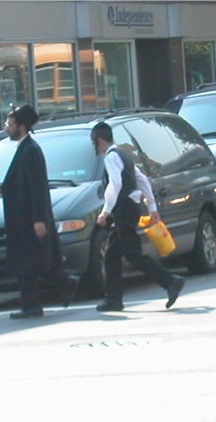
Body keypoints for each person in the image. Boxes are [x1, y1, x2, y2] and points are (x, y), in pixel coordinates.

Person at [91, 121, 185, 312]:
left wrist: (105, 211)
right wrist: (151, 206)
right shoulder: (124, 155)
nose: (94, 146)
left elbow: (115, 184)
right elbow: (141, 179)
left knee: (132, 254)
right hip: (131, 207)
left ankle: (170, 281)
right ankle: (114, 299)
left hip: (123, 208)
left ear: (99, 140)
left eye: (94, 142)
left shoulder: (111, 158)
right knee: (112, 254)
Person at [1, 104, 79, 319]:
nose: (6, 128)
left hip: (29, 219)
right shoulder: (24, 149)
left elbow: (37, 187)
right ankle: (62, 285)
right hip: (22, 219)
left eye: (9, 124)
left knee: (29, 263)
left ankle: (32, 305)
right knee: (33, 262)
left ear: (22, 126)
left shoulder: (31, 150)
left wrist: (38, 219)